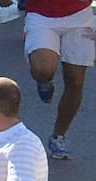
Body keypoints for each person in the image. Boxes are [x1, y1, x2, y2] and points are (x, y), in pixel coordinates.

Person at [23, 0, 94, 159]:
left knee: (76, 81)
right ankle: (45, 80)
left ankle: (58, 136)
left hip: (80, 16)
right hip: (42, 15)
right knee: (43, 69)